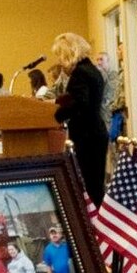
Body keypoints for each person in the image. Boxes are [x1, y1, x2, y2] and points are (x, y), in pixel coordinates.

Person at [50, 32, 110, 205]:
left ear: (69, 53)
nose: (60, 61)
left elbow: (79, 103)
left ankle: (94, 226)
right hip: (95, 132)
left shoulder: (80, 73)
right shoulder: (91, 69)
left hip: (87, 135)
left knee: (90, 185)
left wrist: (56, 115)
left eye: (60, 56)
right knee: (96, 184)